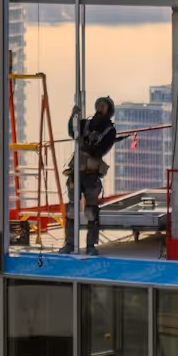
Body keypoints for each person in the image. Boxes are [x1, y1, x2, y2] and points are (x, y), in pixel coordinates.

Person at [67, 96, 119, 252]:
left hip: (91, 175)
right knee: (71, 210)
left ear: (108, 110)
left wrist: (89, 143)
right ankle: (69, 243)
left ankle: (90, 245)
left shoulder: (109, 131)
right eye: (99, 105)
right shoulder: (87, 124)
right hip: (76, 173)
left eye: (103, 106)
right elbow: (73, 132)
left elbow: (100, 150)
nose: (99, 108)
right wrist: (73, 118)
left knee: (91, 212)